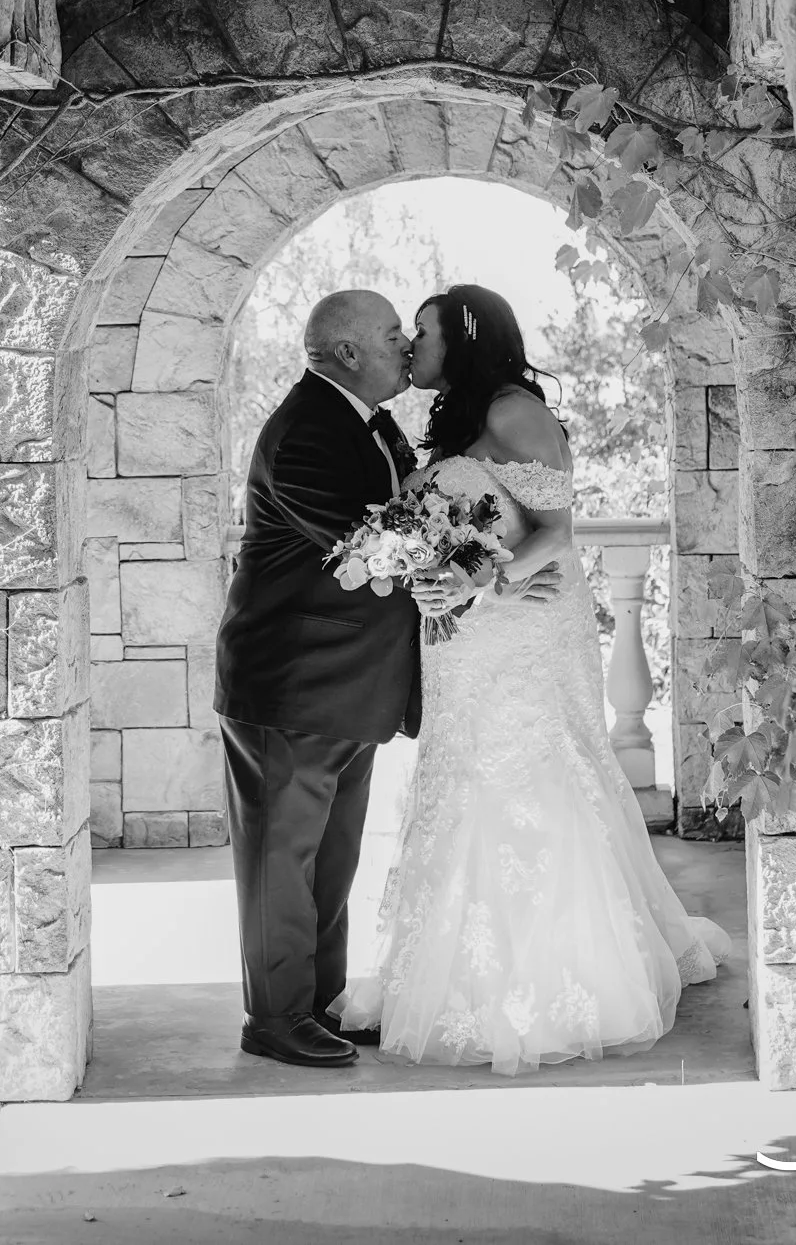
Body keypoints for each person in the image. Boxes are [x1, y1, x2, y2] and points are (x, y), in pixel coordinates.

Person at [329, 284, 735, 1074]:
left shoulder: (516, 411)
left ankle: (560, 979)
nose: (412, 345)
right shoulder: (451, 421)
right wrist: (426, 576)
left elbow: (558, 532)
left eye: (423, 331)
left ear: (464, 336)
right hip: (462, 640)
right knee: (461, 779)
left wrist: (482, 579)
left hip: (524, 628)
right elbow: (456, 527)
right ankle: (445, 974)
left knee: (529, 777)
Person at [213, 289, 560, 1068]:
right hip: (292, 683)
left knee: (328, 861)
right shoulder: (305, 431)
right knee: (280, 860)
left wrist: (491, 568)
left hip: (349, 687)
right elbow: (369, 541)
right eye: (392, 333)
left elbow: (416, 516)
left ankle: (317, 1003)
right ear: (346, 352)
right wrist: (485, 566)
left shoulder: (368, 423)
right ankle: (274, 1017)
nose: (406, 343)